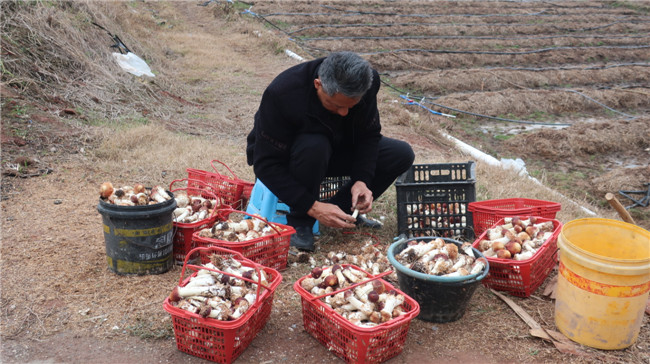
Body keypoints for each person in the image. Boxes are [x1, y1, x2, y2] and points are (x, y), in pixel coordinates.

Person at [246, 51, 414, 252]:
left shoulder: (368, 83)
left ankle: (342, 212)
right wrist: (311, 206)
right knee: (314, 145)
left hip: (334, 146)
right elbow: (265, 164)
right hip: (293, 156)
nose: (344, 113)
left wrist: (362, 180)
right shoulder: (283, 93)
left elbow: (368, 136)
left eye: (351, 107)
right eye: (336, 105)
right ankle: (301, 223)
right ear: (318, 85)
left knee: (400, 153)